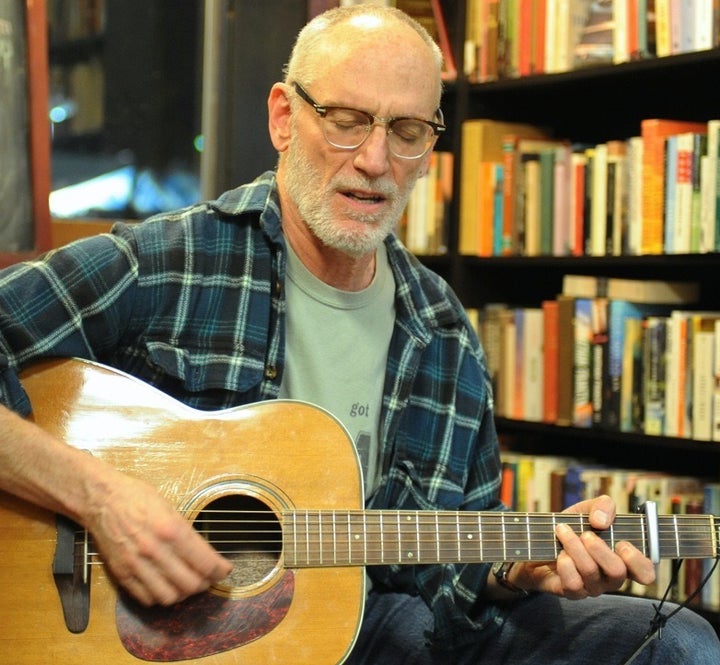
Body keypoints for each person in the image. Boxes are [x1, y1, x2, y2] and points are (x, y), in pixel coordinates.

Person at [0, 5, 717, 664]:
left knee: (675, 641)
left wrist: (517, 566)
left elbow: (451, 559)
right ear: (284, 117)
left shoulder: (442, 332)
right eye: (347, 119)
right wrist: (101, 499)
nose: (375, 161)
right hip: (163, 634)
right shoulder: (168, 263)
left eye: (406, 132)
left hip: (359, 635)